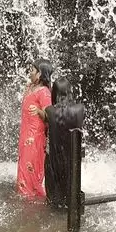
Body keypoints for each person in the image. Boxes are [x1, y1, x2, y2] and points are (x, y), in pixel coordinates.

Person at [32, 77, 85, 208]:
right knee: (72, 191)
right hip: (73, 157)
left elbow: (46, 119)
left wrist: (38, 111)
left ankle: (54, 212)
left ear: (55, 93)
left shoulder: (50, 110)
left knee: (53, 199)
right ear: (70, 92)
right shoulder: (80, 109)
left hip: (53, 158)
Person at [17, 59, 53, 199]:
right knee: (23, 168)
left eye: (32, 70)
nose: (30, 72)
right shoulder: (30, 87)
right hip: (25, 135)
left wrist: (38, 111)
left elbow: (49, 116)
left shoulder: (44, 92)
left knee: (31, 169)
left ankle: (33, 199)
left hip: (35, 138)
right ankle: (25, 195)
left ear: (39, 74)